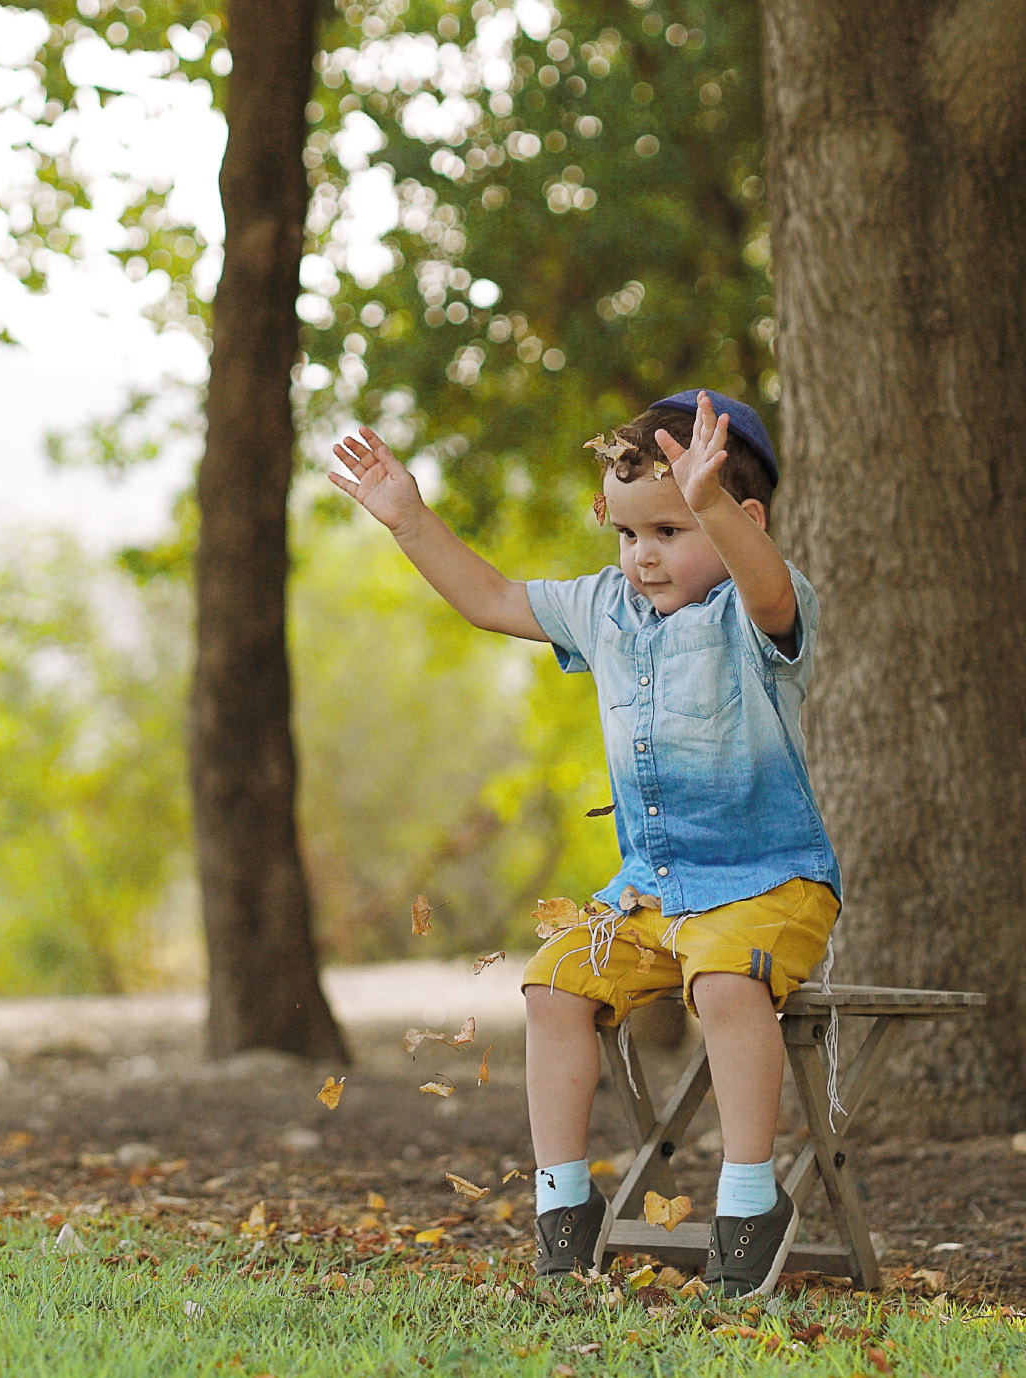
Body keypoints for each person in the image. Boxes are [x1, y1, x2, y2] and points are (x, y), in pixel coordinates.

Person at [329, 389, 840, 1297]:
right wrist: (408, 519)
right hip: (649, 892)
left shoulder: (761, 608)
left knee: (725, 981)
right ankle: (564, 1208)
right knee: (552, 983)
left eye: (671, 531)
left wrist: (711, 504)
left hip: (767, 885)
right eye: (627, 533)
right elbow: (488, 597)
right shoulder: (603, 609)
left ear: (739, 518)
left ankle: (751, 1199)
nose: (643, 556)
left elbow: (761, 584)